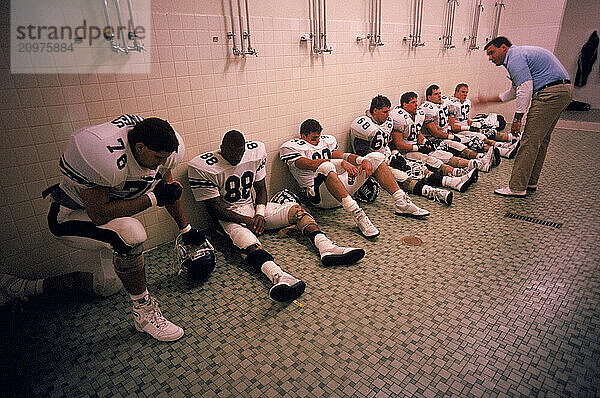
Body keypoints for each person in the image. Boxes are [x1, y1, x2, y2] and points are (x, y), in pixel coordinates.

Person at [43, 115, 204, 342]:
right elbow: (99, 215)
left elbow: (168, 190)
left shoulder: (163, 152)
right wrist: (152, 198)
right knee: (131, 234)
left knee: (107, 286)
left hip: (98, 216)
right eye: (157, 157)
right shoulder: (101, 154)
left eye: (165, 158)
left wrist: (185, 230)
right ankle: (144, 315)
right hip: (70, 217)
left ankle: (26, 288)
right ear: (139, 148)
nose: (161, 163)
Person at [188, 130, 364, 301]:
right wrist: (248, 221)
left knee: (298, 210)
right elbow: (214, 210)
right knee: (247, 241)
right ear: (222, 148)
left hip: (252, 209)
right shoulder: (204, 167)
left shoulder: (254, 153)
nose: (237, 158)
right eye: (232, 154)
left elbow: (261, 189)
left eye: (240, 153)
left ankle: (326, 247)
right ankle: (278, 276)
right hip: (229, 217)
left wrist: (259, 214)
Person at [280, 119, 429, 239]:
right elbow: (309, 164)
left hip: (338, 188)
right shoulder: (292, 147)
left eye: (319, 137)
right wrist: (342, 164)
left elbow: (342, 155)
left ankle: (401, 202)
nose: (317, 141)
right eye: (313, 138)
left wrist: (360, 160)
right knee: (326, 167)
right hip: (318, 195)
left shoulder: (325, 141)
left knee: (375, 158)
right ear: (303, 136)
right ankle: (358, 214)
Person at [475, 37, 573, 196]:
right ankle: (530, 182)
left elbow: (525, 89)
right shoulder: (520, 55)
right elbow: (513, 92)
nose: (490, 58)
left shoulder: (515, 58)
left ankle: (517, 187)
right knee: (540, 140)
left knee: (528, 141)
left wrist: (517, 119)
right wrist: (488, 100)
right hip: (562, 90)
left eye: (492, 53)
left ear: (504, 48)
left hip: (549, 93)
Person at [350, 95, 461, 205]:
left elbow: (389, 143)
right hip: (375, 165)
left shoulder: (387, 122)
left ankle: (450, 181)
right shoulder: (364, 126)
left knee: (417, 169)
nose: (388, 115)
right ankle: (433, 192)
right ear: (375, 111)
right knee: (404, 177)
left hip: (388, 157)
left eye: (388, 111)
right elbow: (362, 155)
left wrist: (395, 154)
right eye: (384, 112)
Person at [389, 92, 479, 194]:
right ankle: (454, 176)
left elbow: (417, 133)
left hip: (416, 147)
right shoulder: (399, 117)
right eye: (413, 102)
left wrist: (425, 142)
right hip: (406, 151)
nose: (416, 105)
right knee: (430, 160)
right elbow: (399, 144)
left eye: (416, 102)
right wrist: (418, 148)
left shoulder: (417, 114)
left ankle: (458, 172)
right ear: (405, 105)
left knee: (439, 154)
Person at [420, 85, 499, 172]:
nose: (439, 96)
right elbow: (435, 133)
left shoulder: (445, 102)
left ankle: (484, 157)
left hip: (446, 133)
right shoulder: (427, 108)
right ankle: (480, 162)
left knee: (470, 141)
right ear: (429, 97)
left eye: (440, 93)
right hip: (436, 138)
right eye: (436, 94)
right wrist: (450, 136)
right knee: (457, 148)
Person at [447, 83, 519, 159]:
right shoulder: (452, 104)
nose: (465, 94)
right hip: (459, 130)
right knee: (479, 138)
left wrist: (475, 125)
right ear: (456, 92)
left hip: (467, 127)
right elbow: (453, 127)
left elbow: (467, 119)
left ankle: (506, 144)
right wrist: (469, 128)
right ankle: (502, 150)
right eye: (463, 92)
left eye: (466, 92)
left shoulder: (467, 102)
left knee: (488, 130)